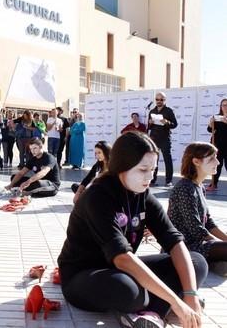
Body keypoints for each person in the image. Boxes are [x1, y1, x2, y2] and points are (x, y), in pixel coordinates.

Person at [58, 131, 207, 328]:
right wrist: (175, 300)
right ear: (122, 167)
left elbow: (174, 241)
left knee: (197, 262)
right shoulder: (98, 197)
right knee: (129, 290)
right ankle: (156, 306)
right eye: (143, 169)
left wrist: (191, 295)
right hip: (84, 276)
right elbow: (122, 258)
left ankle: (150, 313)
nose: (150, 177)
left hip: (120, 269)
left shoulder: (143, 194)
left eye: (153, 170)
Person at [168, 142, 227, 276]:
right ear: (196, 161)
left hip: (199, 245)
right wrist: (220, 244)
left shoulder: (199, 187)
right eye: (211, 158)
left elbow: (209, 223)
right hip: (184, 248)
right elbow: (196, 228)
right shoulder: (184, 188)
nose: (217, 162)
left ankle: (216, 263)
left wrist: (225, 240)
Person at [148, 92, 178, 187]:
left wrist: (166, 122)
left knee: (167, 160)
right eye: (157, 99)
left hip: (165, 138)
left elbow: (175, 125)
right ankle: (152, 180)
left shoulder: (169, 111)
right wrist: (150, 122)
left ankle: (168, 180)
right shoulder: (152, 111)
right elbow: (149, 127)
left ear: (165, 100)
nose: (159, 101)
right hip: (154, 138)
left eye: (161, 99)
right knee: (154, 160)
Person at [206, 98, 227, 191]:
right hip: (218, 145)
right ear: (221, 107)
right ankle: (213, 184)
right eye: (223, 105)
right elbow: (210, 130)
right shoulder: (217, 117)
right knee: (216, 165)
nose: (225, 107)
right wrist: (211, 124)